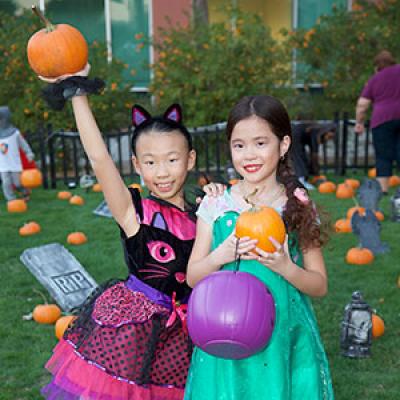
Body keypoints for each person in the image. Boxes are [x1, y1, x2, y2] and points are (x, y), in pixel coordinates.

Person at [39, 66, 204, 399]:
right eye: (151, 162)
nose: (163, 172)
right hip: (132, 335)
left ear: (190, 160)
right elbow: (99, 158)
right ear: (138, 166)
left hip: (187, 336)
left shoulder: (205, 214)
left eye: (172, 160)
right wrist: (77, 93)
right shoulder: (135, 211)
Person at [184, 95, 334, 400]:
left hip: (282, 336)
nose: (249, 155)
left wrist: (286, 268)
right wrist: (220, 256)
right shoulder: (216, 203)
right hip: (224, 331)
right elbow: (192, 276)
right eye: (239, 145)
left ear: (283, 145)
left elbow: (319, 285)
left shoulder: (297, 205)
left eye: (260, 143)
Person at [355, 50, 400, 194]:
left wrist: (359, 123)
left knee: (383, 155)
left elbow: (362, 105)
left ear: (377, 66)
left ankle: (383, 190)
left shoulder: (375, 79)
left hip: (381, 120)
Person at [0, 106, 34, 201]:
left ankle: (25, 192)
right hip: (3, 164)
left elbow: (23, 144)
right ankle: (12, 200)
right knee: (6, 183)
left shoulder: (15, 133)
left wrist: (29, 153)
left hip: (14, 162)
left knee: (18, 183)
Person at [290, 119, 336, 189]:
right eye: (329, 137)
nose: (328, 139)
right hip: (294, 136)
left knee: (304, 157)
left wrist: (314, 172)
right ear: (325, 131)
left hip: (297, 138)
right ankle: (301, 182)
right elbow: (314, 155)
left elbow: (312, 153)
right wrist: (316, 173)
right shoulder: (316, 133)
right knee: (299, 157)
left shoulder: (317, 131)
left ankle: (304, 179)